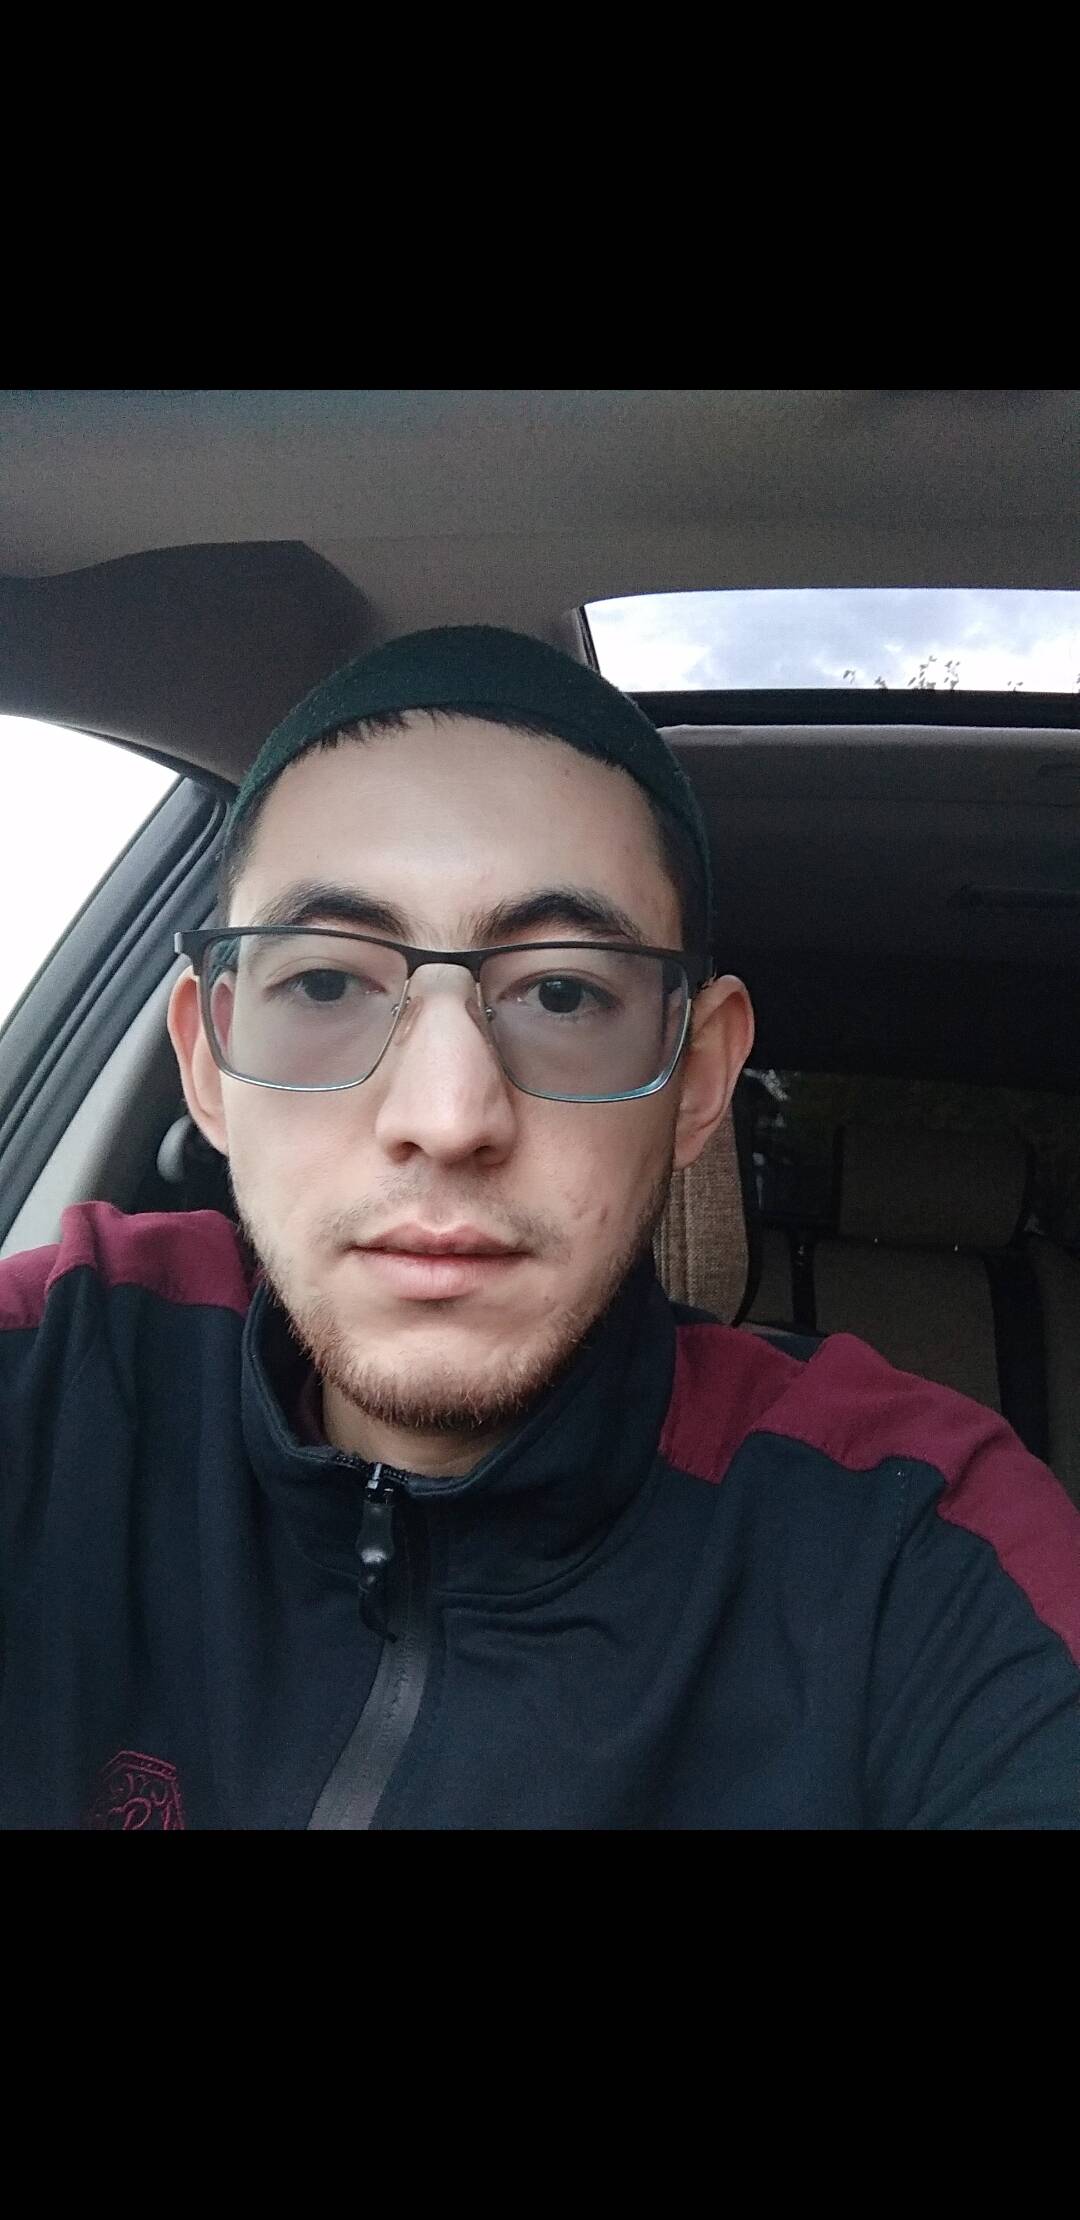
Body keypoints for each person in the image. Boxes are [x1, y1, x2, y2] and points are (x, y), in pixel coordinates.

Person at [1, 625, 1078, 1830]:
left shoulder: (917, 1550)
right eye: (325, 982)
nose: (447, 1117)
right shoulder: (57, 1368)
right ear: (208, 1063)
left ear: (698, 1080)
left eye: (563, 993)